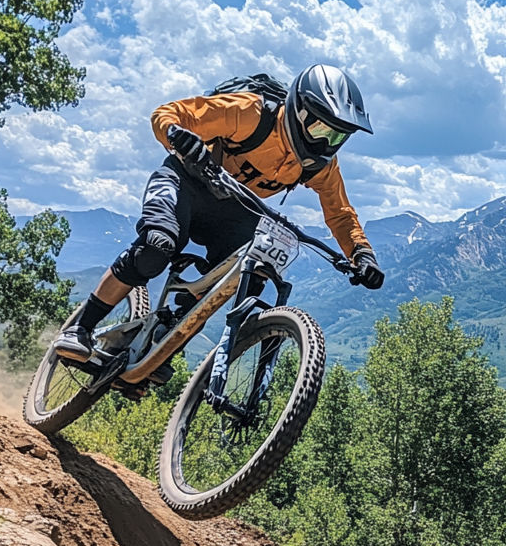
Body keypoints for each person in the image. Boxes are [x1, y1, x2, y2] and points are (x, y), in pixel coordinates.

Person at [54, 63, 384, 362]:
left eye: (337, 135)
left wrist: (362, 254)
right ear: (299, 111)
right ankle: (80, 328)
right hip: (186, 181)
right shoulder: (249, 114)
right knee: (155, 248)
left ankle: (162, 340)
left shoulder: (321, 166)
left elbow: (341, 215)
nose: (326, 143)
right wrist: (179, 137)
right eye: (320, 129)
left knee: (249, 280)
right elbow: (169, 113)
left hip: (236, 208)